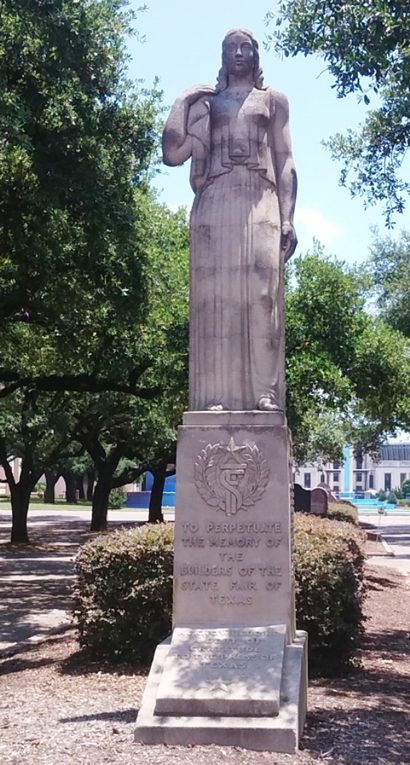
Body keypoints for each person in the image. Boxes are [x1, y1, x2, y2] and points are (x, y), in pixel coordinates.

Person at [163, 28, 297, 412]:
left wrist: (287, 218)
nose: (239, 53)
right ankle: (214, 397)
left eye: (246, 47)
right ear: (222, 56)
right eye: (231, 48)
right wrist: (185, 97)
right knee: (216, 300)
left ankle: (264, 394)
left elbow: (286, 159)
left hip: (261, 198)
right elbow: (173, 153)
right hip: (215, 201)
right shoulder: (208, 104)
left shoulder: (274, 100)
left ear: (256, 54)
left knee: (261, 297)